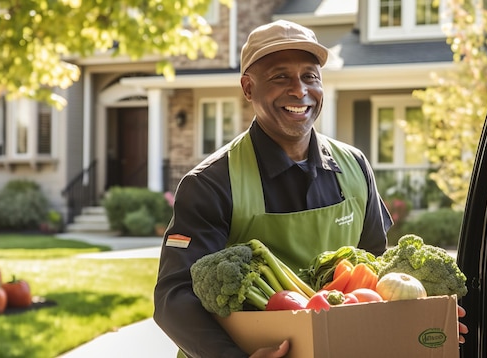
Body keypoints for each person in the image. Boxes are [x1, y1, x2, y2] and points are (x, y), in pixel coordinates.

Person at [154, 20, 467, 358]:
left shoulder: (355, 167)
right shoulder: (212, 183)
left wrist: (424, 313)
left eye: (310, 77)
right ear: (248, 88)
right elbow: (174, 297)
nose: (299, 90)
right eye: (280, 77)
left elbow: (375, 271)